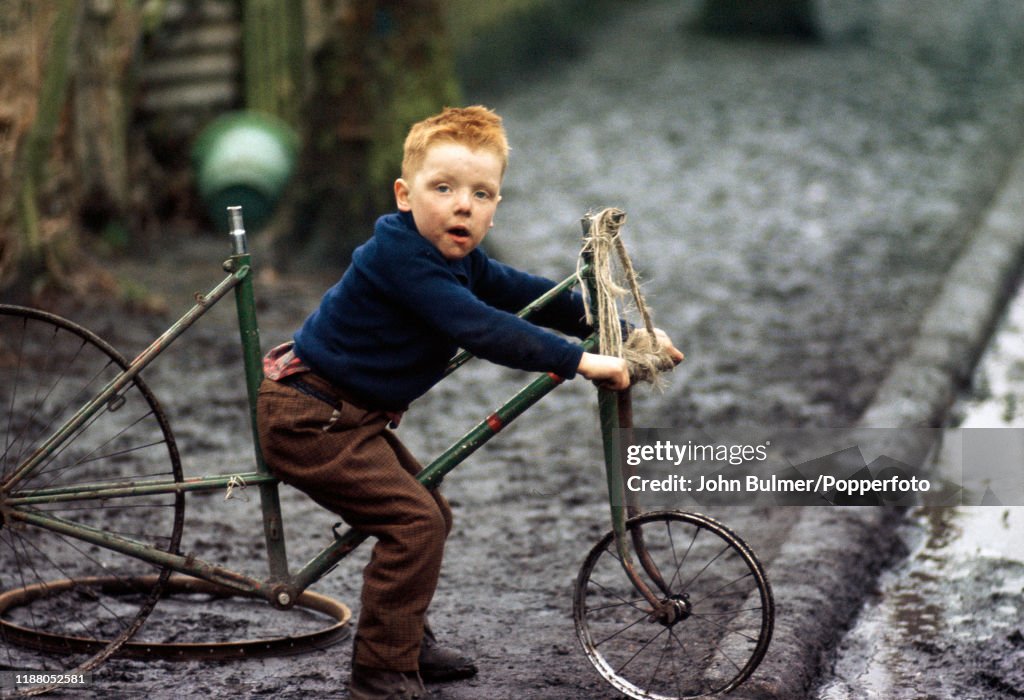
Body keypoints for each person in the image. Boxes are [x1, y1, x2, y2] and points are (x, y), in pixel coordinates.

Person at [256, 105, 683, 700]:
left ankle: (404, 640)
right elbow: (479, 326)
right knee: (414, 522)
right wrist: (579, 360)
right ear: (405, 195)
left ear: (495, 206)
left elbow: (530, 295)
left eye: (482, 194)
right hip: (311, 418)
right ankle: (380, 675)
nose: (464, 205)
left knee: (432, 509)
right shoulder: (400, 257)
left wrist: (625, 327)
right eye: (444, 188)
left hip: (349, 417)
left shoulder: (459, 259)